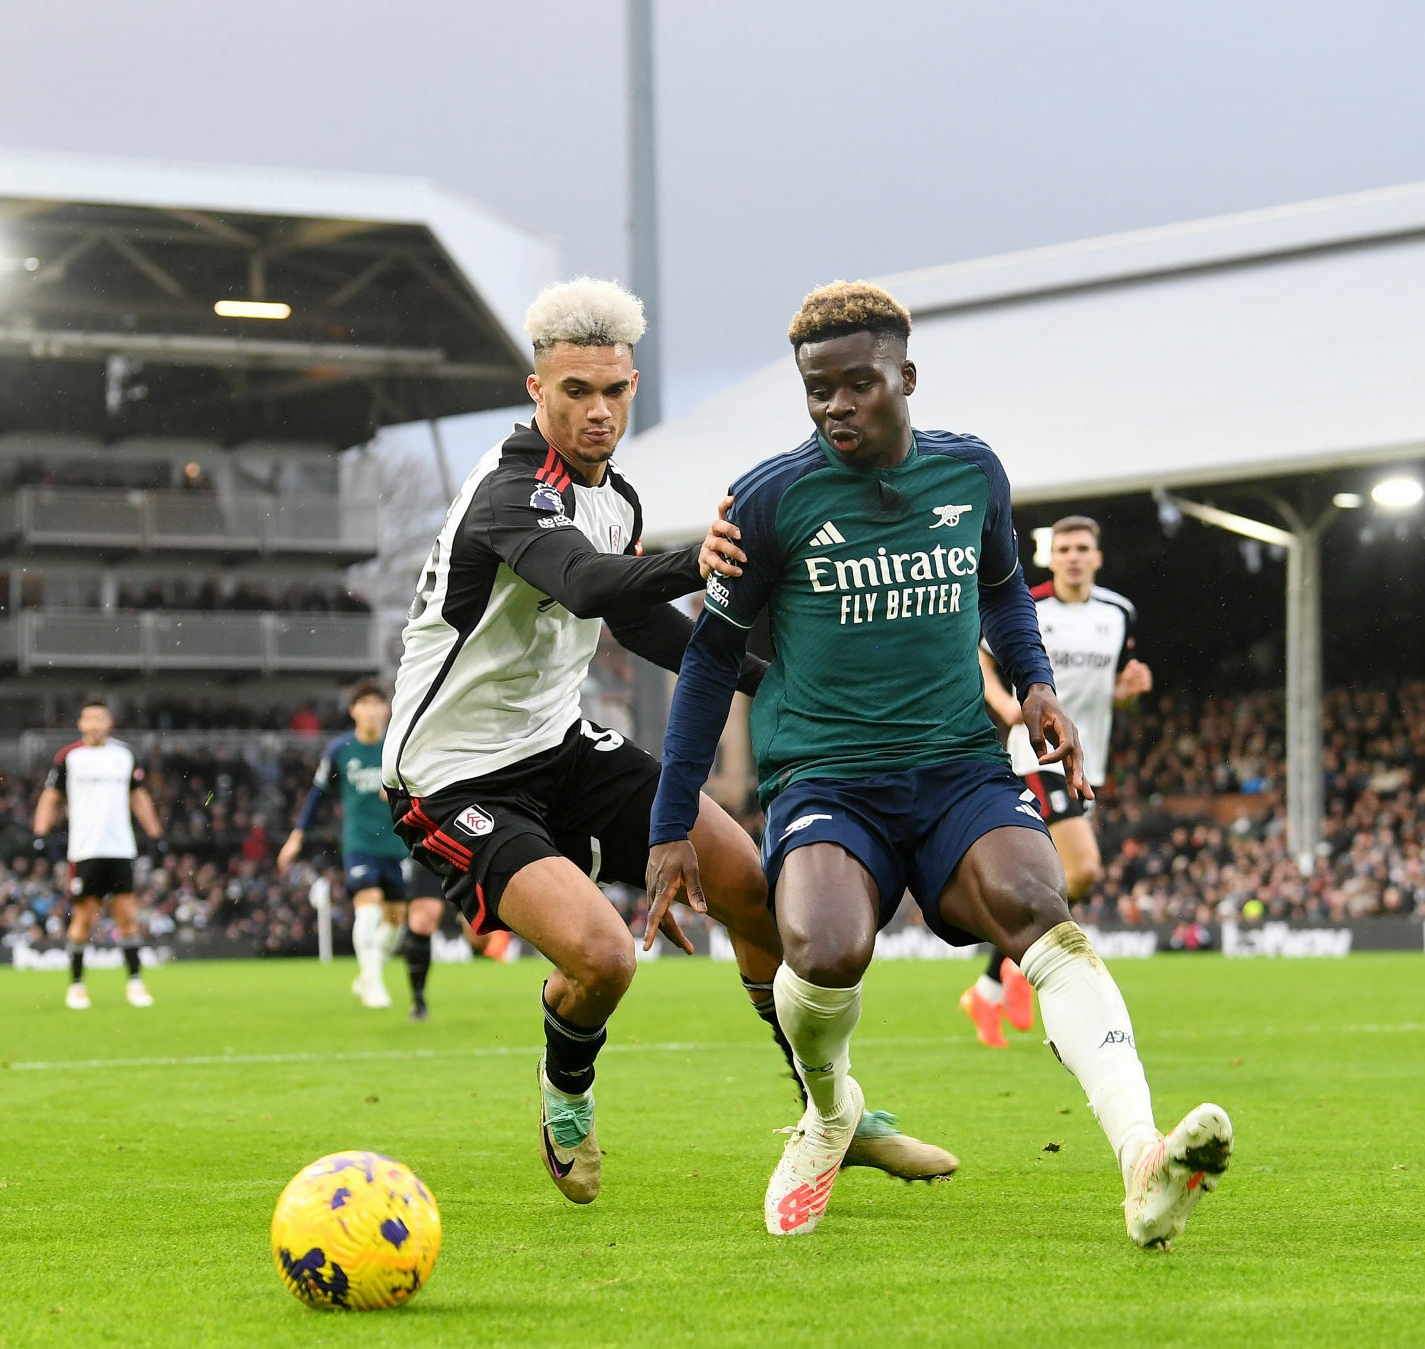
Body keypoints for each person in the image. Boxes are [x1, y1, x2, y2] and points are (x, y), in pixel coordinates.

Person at [646, 281, 1230, 1247]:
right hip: (827, 778)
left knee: (1045, 911)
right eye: (817, 391)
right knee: (826, 950)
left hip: (960, 768)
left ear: (905, 376)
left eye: (857, 386)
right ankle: (830, 1111)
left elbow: (1005, 596)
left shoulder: (972, 474)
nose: (835, 407)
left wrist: (1035, 683)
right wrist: (674, 820)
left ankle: (1144, 1159)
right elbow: (709, 661)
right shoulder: (770, 498)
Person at [381, 277, 950, 1206]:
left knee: (755, 889)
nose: (597, 410)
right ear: (538, 391)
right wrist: (700, 557)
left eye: (613, 391)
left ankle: (830, 1111)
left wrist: (778, 681)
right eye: (575, 392)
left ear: (634, 384)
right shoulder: (508, 491)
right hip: (448, 779)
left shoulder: (618, 495)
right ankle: (566, 1092)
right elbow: (588, 583)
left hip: (560, 748)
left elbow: (642, 627)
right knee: (603, 959)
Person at [963, 515, 1150, 1047]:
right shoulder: (1030, 606)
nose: (1072, 556)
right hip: (1036, 754)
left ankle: (989, 987)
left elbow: (1107, 691)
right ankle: (1018, 969)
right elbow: (981, 655)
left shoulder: (1118, 613)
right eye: (1063, 547)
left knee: (1058, 881)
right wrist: (1006, 707)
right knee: (1084, 867)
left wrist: (1130, 691)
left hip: (1087, 762)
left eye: (1082, 548)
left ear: (1097, 556)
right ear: (1051, 557)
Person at [279, 680, 448, 1019]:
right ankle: (372, 981)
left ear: (386, 710)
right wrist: (297, 835)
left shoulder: (398, 748)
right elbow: (317, 795)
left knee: (395, 921)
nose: (371, 711)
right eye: (364, 704)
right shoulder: (340, 750)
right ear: (353, 710)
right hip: (359, 843)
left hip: (398, 844)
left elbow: (426, 790)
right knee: (367, 908)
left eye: (377, 704)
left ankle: (369, 974)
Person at [32, 700, 165, 1009]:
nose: (94, 725)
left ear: (109, 723)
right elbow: (50, 796)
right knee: (82, 918)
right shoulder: (70, 757)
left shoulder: (124, 755)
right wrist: (40, 834)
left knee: (127, 919)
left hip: (120, 848)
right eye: (89, 719)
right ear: (80, 723)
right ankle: (77, 986)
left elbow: (139, 796)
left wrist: (155, 833)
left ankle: (135, 983)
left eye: (100, 719)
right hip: (85, 850)